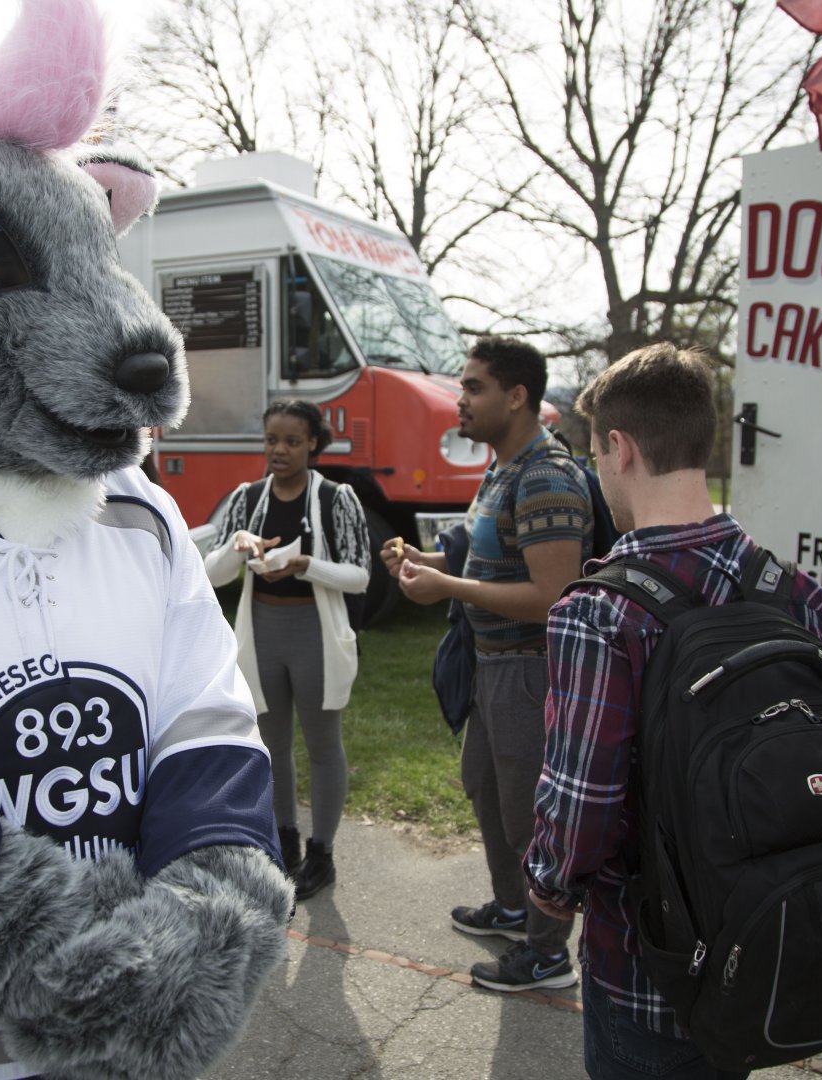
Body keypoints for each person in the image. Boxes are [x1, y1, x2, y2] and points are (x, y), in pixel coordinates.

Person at [529, 343, 822, 1079]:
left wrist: (548, 883)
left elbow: (584, 797)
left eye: (595, 457)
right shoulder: (790, 589)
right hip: (767, 931)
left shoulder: (600, 611)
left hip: (650, 964)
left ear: (620, 448)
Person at [381, 335, 589, 992]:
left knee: (529, 814)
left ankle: (549, 953)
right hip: (492, 668)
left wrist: (450, 590)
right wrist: (428, 566)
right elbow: (486, 562)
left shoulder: (546, 475)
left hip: (531, 671)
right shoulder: (501, 468)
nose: (460, 400)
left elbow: (553, 597)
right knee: (486, 790)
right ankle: (514, 909)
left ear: (516, 395)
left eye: (473, 387)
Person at [204, 400, 370, 900]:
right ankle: (284, 843)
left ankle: (322, 854)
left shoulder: (337, 498)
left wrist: (305, 565)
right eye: (272, 439)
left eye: (292, 441)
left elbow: (359, 575)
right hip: (263, 631)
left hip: (313, 633)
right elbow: (212, 576)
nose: (279, 450)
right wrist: (237, 545)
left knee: (322, 746)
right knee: (270, 745)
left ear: (313, 444)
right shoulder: (247, 498)